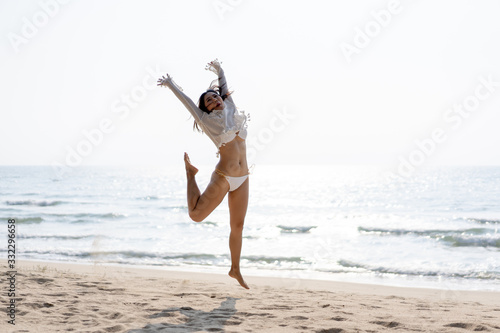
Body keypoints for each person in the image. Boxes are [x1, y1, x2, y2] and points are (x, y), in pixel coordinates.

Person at [157, 59, 250, 289]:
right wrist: (171, 84)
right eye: (209, 100)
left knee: (237, 226)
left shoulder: (232, 109)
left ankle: (235, 269)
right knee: (196, 216)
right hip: (224, 177)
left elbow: (225, 89)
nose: (214, 99)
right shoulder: (207, 121)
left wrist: (220, 70)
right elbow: (188, 103)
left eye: (215, 96)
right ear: (206, 108)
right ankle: (191, 174)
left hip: (243, 177)